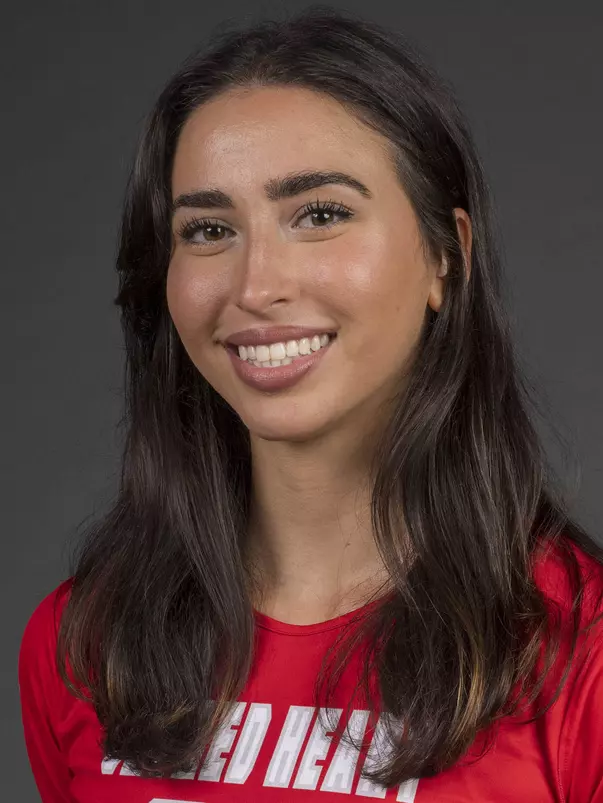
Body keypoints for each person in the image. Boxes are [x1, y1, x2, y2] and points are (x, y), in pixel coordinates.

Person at [18, 6, 603, 802]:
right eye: (208, 229)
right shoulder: (86, 644)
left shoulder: (580, 653)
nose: (256, 285)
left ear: (446, 256)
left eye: (320, 214)